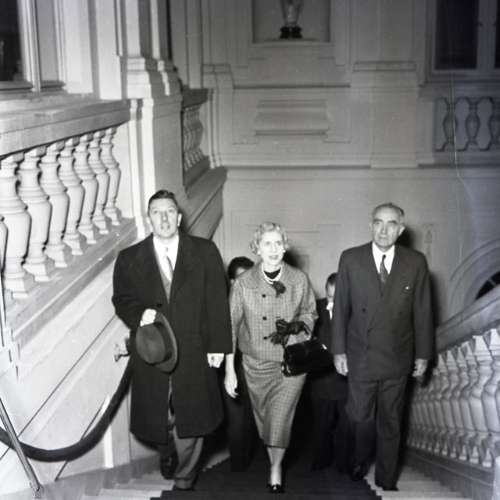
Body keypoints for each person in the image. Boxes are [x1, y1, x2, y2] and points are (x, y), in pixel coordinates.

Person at [112, 189, 232, 491]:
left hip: (195, 349)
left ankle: (185, 477)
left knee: (193, 417)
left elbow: (218, 301)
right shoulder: (129, 258)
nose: (164, 218)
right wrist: (138, 314)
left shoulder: (204, 251)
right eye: (157, 212)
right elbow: (121, 299)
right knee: (160, 418)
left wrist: (218, 346)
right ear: (149, 219)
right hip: (153, 350)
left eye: (169, 212)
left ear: (179, 217)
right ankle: (167, 453)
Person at [332, 202, 434, 491]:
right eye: (378, 222)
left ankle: (387, 479)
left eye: (391, 224)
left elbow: (423, 311)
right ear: (370, 225)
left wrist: (423, 355)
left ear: (400, 230)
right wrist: (338, 350)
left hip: (397, 356)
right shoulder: (351, 258)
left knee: (391, 420)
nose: (383, 230)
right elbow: (340, 308)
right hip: (360, 355)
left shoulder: (415, 262)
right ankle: (359, 458)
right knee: (359, 417)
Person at [224, 222, 317, 493]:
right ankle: (273, 460)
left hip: (291, 363)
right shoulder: (243, 283)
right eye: (267, 243)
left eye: (278, 243)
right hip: (256, 363)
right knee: (265, 419)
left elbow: (310, 313)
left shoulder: (298, 279)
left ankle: (276, 468)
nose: (274, 249)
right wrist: (229, 370)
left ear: (285, 247)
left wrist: (296, 327)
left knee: (279, 417)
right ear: (257, 248)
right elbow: (230, 326)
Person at [308, 272, 350, 472]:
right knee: (320, 424)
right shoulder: (314, 310)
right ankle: (320, 459)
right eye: (330, 296)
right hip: (321, 379)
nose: (332, 302)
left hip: (346, 379)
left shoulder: (355, 312)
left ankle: (343, 463)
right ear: (325, 291)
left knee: (346, 425)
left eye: (337, 298)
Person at [223, 255, 258, 472]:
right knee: (235, 418)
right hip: (231, 368)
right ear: (232, 281)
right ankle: (238, 464)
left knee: (251, 417)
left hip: (254, 366)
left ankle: (245, 459)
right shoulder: (221, 304)